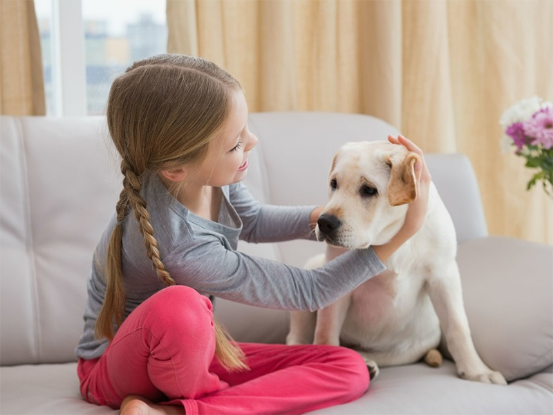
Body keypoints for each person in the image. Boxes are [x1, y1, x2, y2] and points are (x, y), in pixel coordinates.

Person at [75, 53, 431, 415]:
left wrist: (334, 219)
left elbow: (255, 220)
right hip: (116, 370)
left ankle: (173, 410)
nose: (253, 142)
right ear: (175, 168)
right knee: (182, 309)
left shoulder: (204, 176)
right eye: (235, 144)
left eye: (245, 130)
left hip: (192, 356)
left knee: (349, 366)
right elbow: (310, 291)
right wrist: (405, 231)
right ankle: (192, 405)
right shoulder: (181, 246)